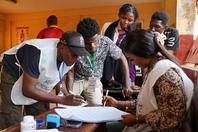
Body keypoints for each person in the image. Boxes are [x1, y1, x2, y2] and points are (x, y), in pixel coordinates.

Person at [103, 29, 194, 131]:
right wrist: (118, 104)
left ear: (144, 53)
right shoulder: (154, 67)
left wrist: (136, 119)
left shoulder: (165, 75)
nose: (132, 64)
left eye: (132, 59)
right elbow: (145, 104)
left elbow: (171, 118)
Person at [0, 31, 89, 129]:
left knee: (41, 116)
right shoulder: (39, 52)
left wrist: (68, 95)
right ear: (63, 47)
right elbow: (28, 90)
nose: (76, 59)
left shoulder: (69, 57)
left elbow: (59, 78)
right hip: (13, 71)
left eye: (78, 55)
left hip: (35, 75)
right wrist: (62, 100)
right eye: (74, 55)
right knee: (12, 118)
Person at [67, 18, 130, 105]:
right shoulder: (76, 45)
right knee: (69, 104)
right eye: (87, 43)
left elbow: (122, 58)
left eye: (95, 41)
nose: (92, 46)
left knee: (96, 105)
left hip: (93, 80)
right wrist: (69, 93)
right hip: (77, 79)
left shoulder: (105, 42)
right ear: (81, 39)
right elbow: (70, 71)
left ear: (98, 36)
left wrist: (127, 84)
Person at [101, 4, 139, 89]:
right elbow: (101, 49)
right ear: (119, 15)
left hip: (122, 68)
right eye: (124, 18)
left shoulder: (133, 34)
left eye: (130, 20)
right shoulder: (107, 27)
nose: (126, 22)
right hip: (106, 69)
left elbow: (131, 59)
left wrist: (131, 81)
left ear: (134, 21)